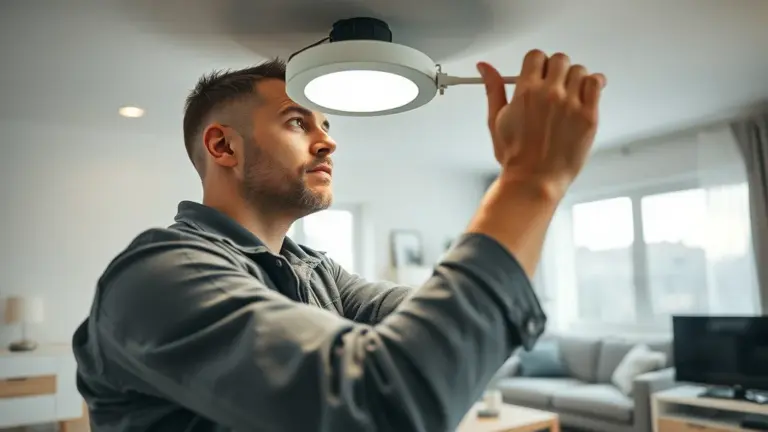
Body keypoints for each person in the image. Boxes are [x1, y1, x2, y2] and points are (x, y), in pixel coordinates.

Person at [72, 49, 605, 431]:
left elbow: (444, 336)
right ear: (223, 147)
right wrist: (530, 182)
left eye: (326, 125)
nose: (328, 142)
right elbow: (383, 403)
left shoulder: (317, 273)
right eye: (297, 122)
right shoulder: (158, 276)